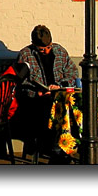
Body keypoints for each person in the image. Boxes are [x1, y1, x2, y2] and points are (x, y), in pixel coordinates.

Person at [15, 25, 79, 163]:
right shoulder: (25, 55)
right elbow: (20, 82)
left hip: (59, 94)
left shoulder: (60, 51)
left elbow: (73, 72)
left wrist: (62, 84)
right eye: (42, 49)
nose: (46, 51)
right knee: (48, 108)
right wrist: (37, 92)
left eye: (49, 47)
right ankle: (57, 150)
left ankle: (69, 147)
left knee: (73, 107)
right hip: (36, 100)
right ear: (33, 45)